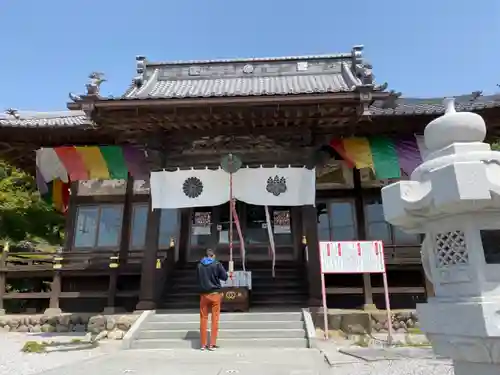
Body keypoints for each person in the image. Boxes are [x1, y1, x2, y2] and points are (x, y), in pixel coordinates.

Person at [197, 248, 228, 351]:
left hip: (203, 295)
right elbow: (224, 277)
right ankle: (212, 344)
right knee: (215, 318)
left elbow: (198, 278)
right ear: (213, 255)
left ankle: (203, 344)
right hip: (215, 294)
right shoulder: (217, 264)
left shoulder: (199, 265)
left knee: (203, 318)